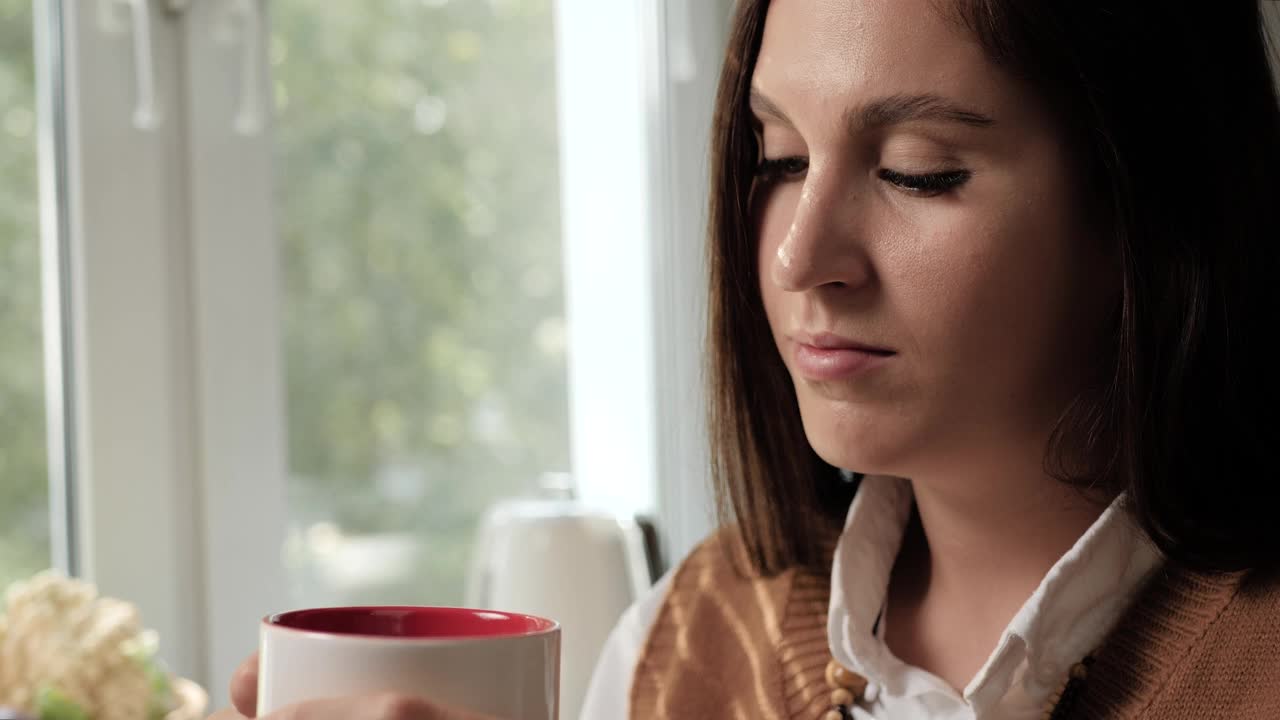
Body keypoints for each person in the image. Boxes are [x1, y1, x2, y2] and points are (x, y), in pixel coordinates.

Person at [211, 0, 1280, 718]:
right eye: (776, 158)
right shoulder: (689, 638)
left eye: (917, 172)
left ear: (1147, 209)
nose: (798, 253)